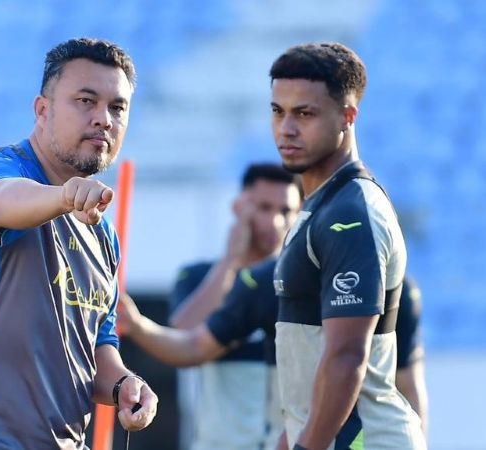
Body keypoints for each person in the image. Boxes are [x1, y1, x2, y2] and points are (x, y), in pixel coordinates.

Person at [0, 38, 158, 450]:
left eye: (117, 108)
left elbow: (98, 349)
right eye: (86, 101)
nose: (103, 119)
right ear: (42, 110)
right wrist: (64, 197)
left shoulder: (103, 236)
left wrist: (125, 386)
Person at [269, 42, 425, 449]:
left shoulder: (350, 214)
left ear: (348, 116)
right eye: (278, 111)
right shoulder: (321, 206)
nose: (286, 128)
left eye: (304, 113)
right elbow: (310, 379)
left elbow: (346, 356)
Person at [118, 261, 428, 450]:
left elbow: (409, 388)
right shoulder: (266, 283)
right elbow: (193, 343)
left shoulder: (393, 287)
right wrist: (138, 325)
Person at [166, 163, 301, 450]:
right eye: (264, 208)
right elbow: (183, 337)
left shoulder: (303, 286)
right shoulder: (198, 275)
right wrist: (231, 261)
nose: (275, 221)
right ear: (240, 208)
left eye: (286, 211)